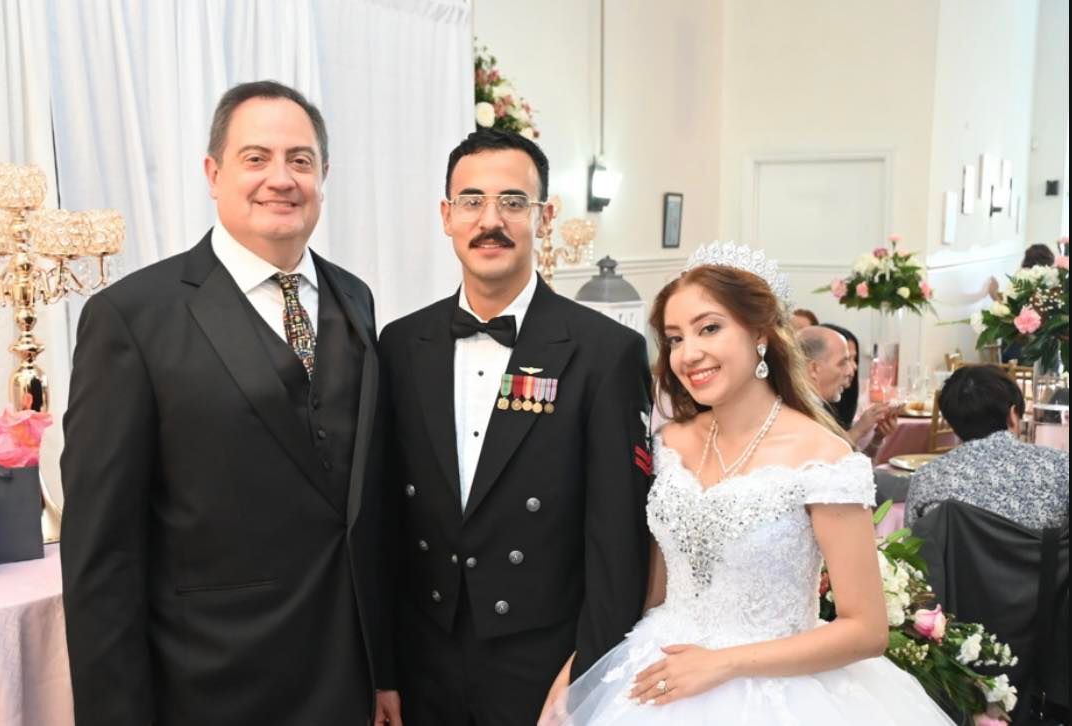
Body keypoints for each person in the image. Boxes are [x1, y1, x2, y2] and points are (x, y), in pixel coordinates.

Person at [61, 81, 394, 726]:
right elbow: (102, 554)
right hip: (210, 683)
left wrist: (384, 667)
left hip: (346, 677)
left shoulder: (354, 297)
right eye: (255, 158)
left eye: (301, 160)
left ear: (324, 177)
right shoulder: (131, 318)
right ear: (213, 174)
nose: (281, 178)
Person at [544, 242, 952, 724]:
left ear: (760, 333)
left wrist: (721, 664)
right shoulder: (667, 444)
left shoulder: (823, 458)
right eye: (674, 338)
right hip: (656, 669)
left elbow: (866, 630)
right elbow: (649, 591)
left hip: (778, 692)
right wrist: (581, 671)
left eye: (709, 329)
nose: (688, 354)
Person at [378, 128, 653, 725]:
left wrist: (587, 676)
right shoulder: (400, 345)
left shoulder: (606, 352)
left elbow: (616, 541)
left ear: (544, 216)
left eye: (513, 202)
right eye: (472, 201)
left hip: (544, 663)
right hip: (424, 658)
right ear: (447, 216)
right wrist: (384, 671)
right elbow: (385, 524)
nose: (490, 220)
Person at [905, 364, 1068, 529]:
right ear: (1012, 415)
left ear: (952, 422)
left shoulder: (927, 479)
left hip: (958, 556)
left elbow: (912, 548)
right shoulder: (1062, 467)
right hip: (1042, 556)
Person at [802, 324, 898, 455]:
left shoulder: (819, 407)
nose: (851, 370)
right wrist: (859, 430)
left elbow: (854, 467)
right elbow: (827, 461)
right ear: (813, 368)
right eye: (843, 363)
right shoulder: (798, 412)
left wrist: (877, 437)